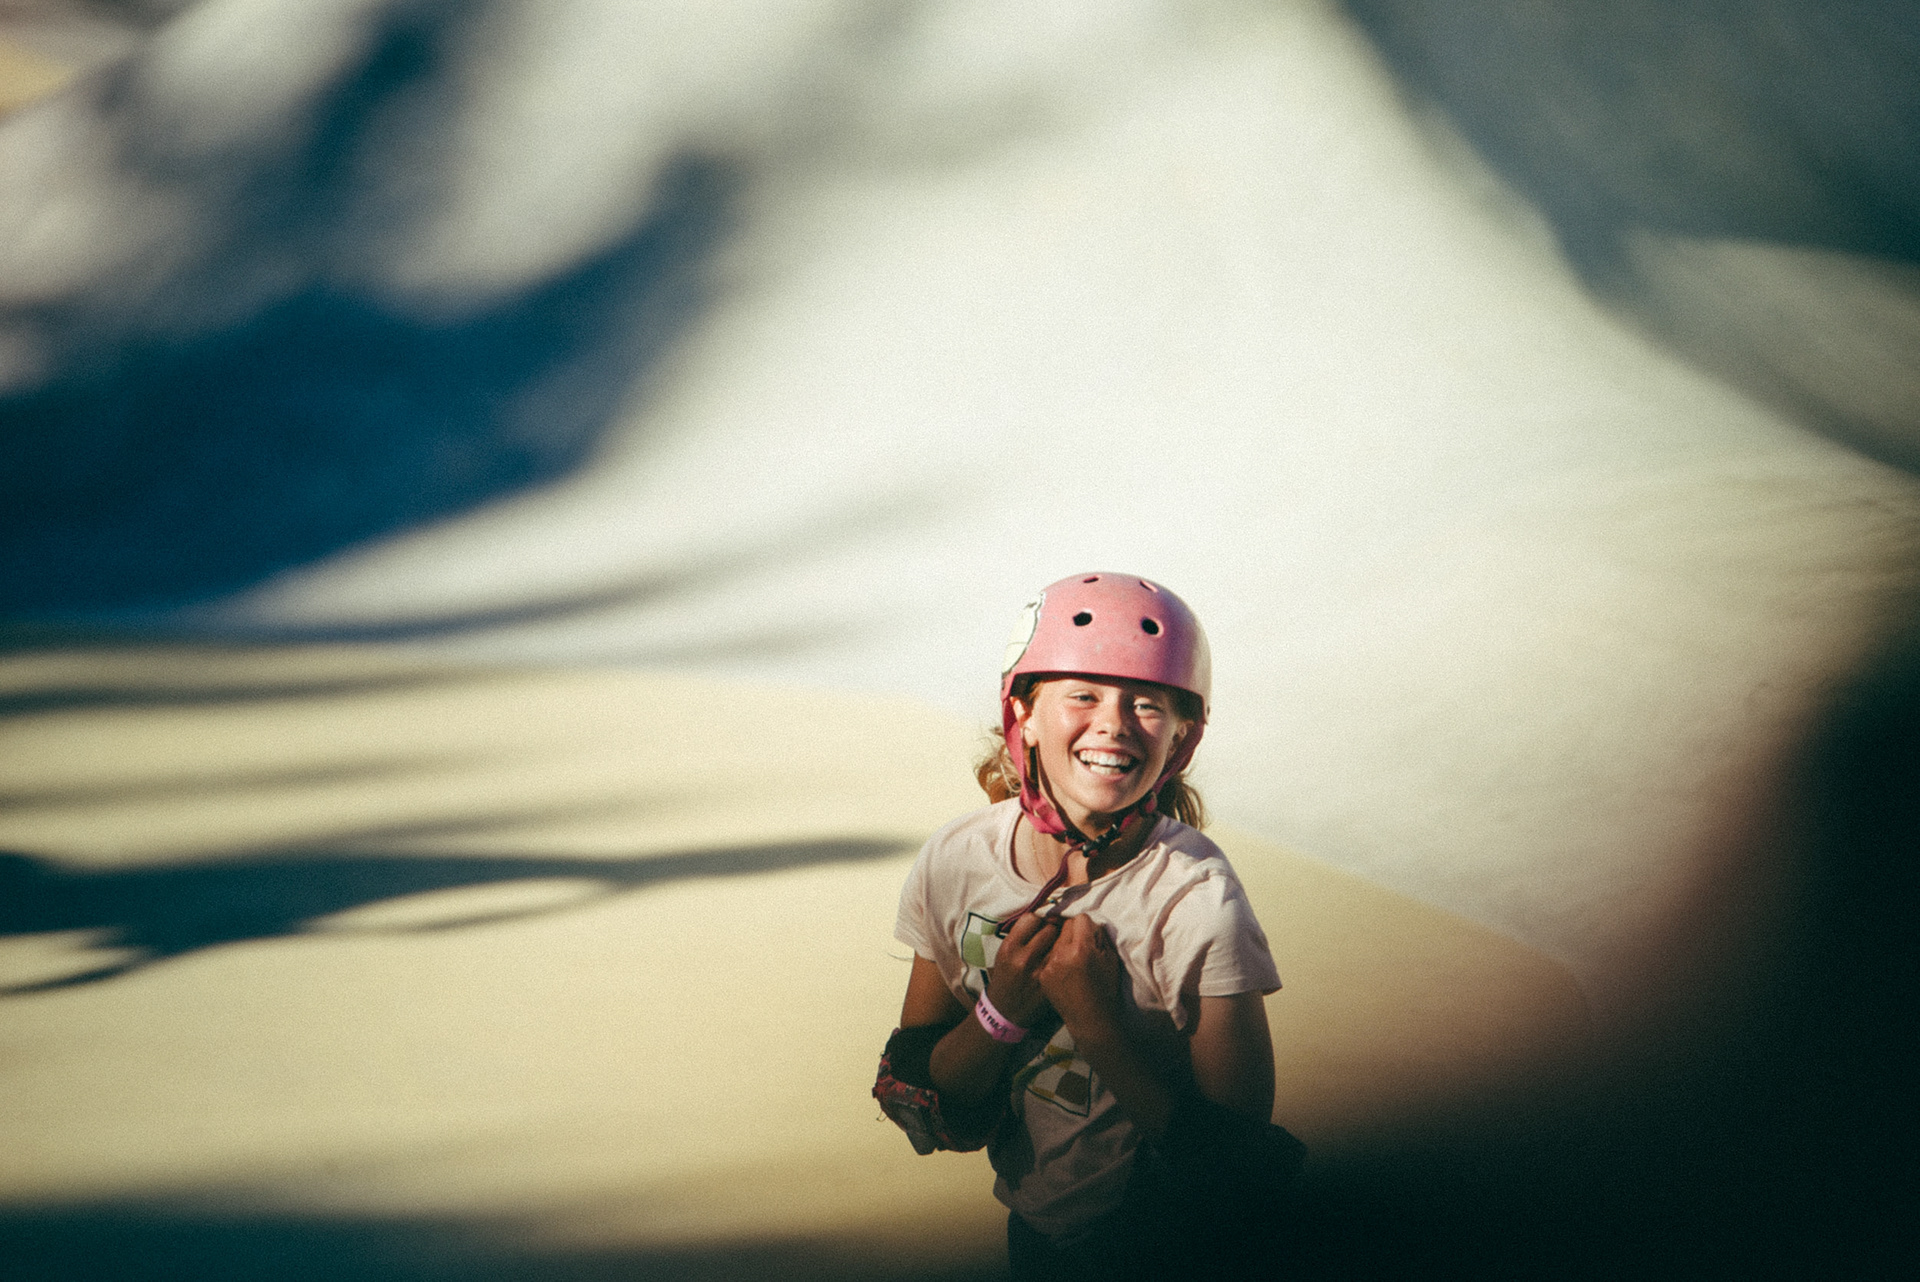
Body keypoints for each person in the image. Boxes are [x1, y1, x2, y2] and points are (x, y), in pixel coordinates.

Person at [875, 573, 1303, 1280]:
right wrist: (1002, 1008)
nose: (1113, 722)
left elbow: (1235, 1166)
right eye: (1083, 695)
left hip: (1178, 1252)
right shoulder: (956, 861)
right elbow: (923, 1098)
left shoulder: (1198, 899)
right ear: (1024, 715)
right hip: (1038, 1235)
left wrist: (1093, 1019)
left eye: (1146, 704)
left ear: (1182, 738)